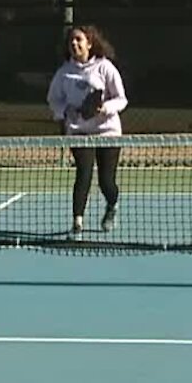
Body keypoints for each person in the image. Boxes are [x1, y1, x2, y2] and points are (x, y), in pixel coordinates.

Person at [45, 25, 128, 234]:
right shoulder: (64, 73)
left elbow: (121, 99)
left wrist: (105, 108)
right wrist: (65, 112)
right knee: (84, 173)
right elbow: (53, 99)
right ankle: (77, 221)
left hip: (107, 131)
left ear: (89, 44)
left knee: (106, 181)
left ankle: (112, 205)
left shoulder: (105, 67)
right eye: (71, 41)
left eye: (79, 40)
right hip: (79, 131)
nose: (74, 44)